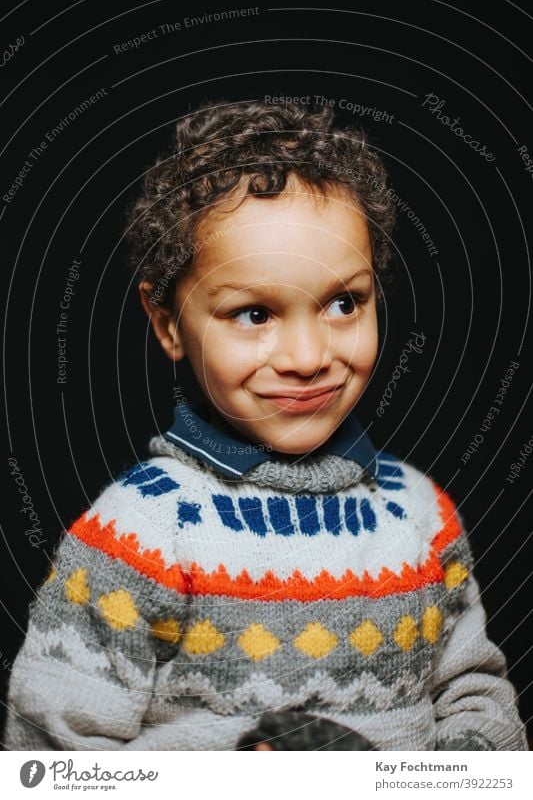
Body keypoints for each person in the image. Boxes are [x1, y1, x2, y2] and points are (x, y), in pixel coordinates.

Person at [3, 101, 527, 751]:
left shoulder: (420, 515)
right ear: (167, 322)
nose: (307, 357)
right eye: (253, 313)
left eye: (344, 303)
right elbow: (50, 760)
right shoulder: (142, 533)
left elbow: (476, 694)